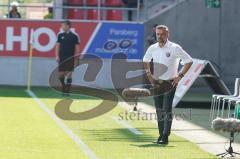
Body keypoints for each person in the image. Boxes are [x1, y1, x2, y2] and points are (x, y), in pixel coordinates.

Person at [143, 25, 193, 145]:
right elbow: (145, 60)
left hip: (170, 82)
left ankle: (165, 136)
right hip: (157, 82)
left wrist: (180, 76)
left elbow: (189, 61)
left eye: (162, 34)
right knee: (159, 110)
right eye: (158, 34)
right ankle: (160, 135)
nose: (160, 36)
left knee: (166, 109)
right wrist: (149, 75)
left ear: (167, 34)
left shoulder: (175, 48)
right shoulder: (152, 48)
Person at [55, 20, 80, 96]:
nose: (62, 27)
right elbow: (57, 46)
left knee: (69, 74)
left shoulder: (75, 36)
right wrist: (57, 56)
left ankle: (67, 92)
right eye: (61, 25)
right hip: (62, 58)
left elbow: (77, 48)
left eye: (63, 25)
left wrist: (77, 58)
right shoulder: (60, 35)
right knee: (61, 75)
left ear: (68, 26)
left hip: (70, 58)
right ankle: (63, 86)